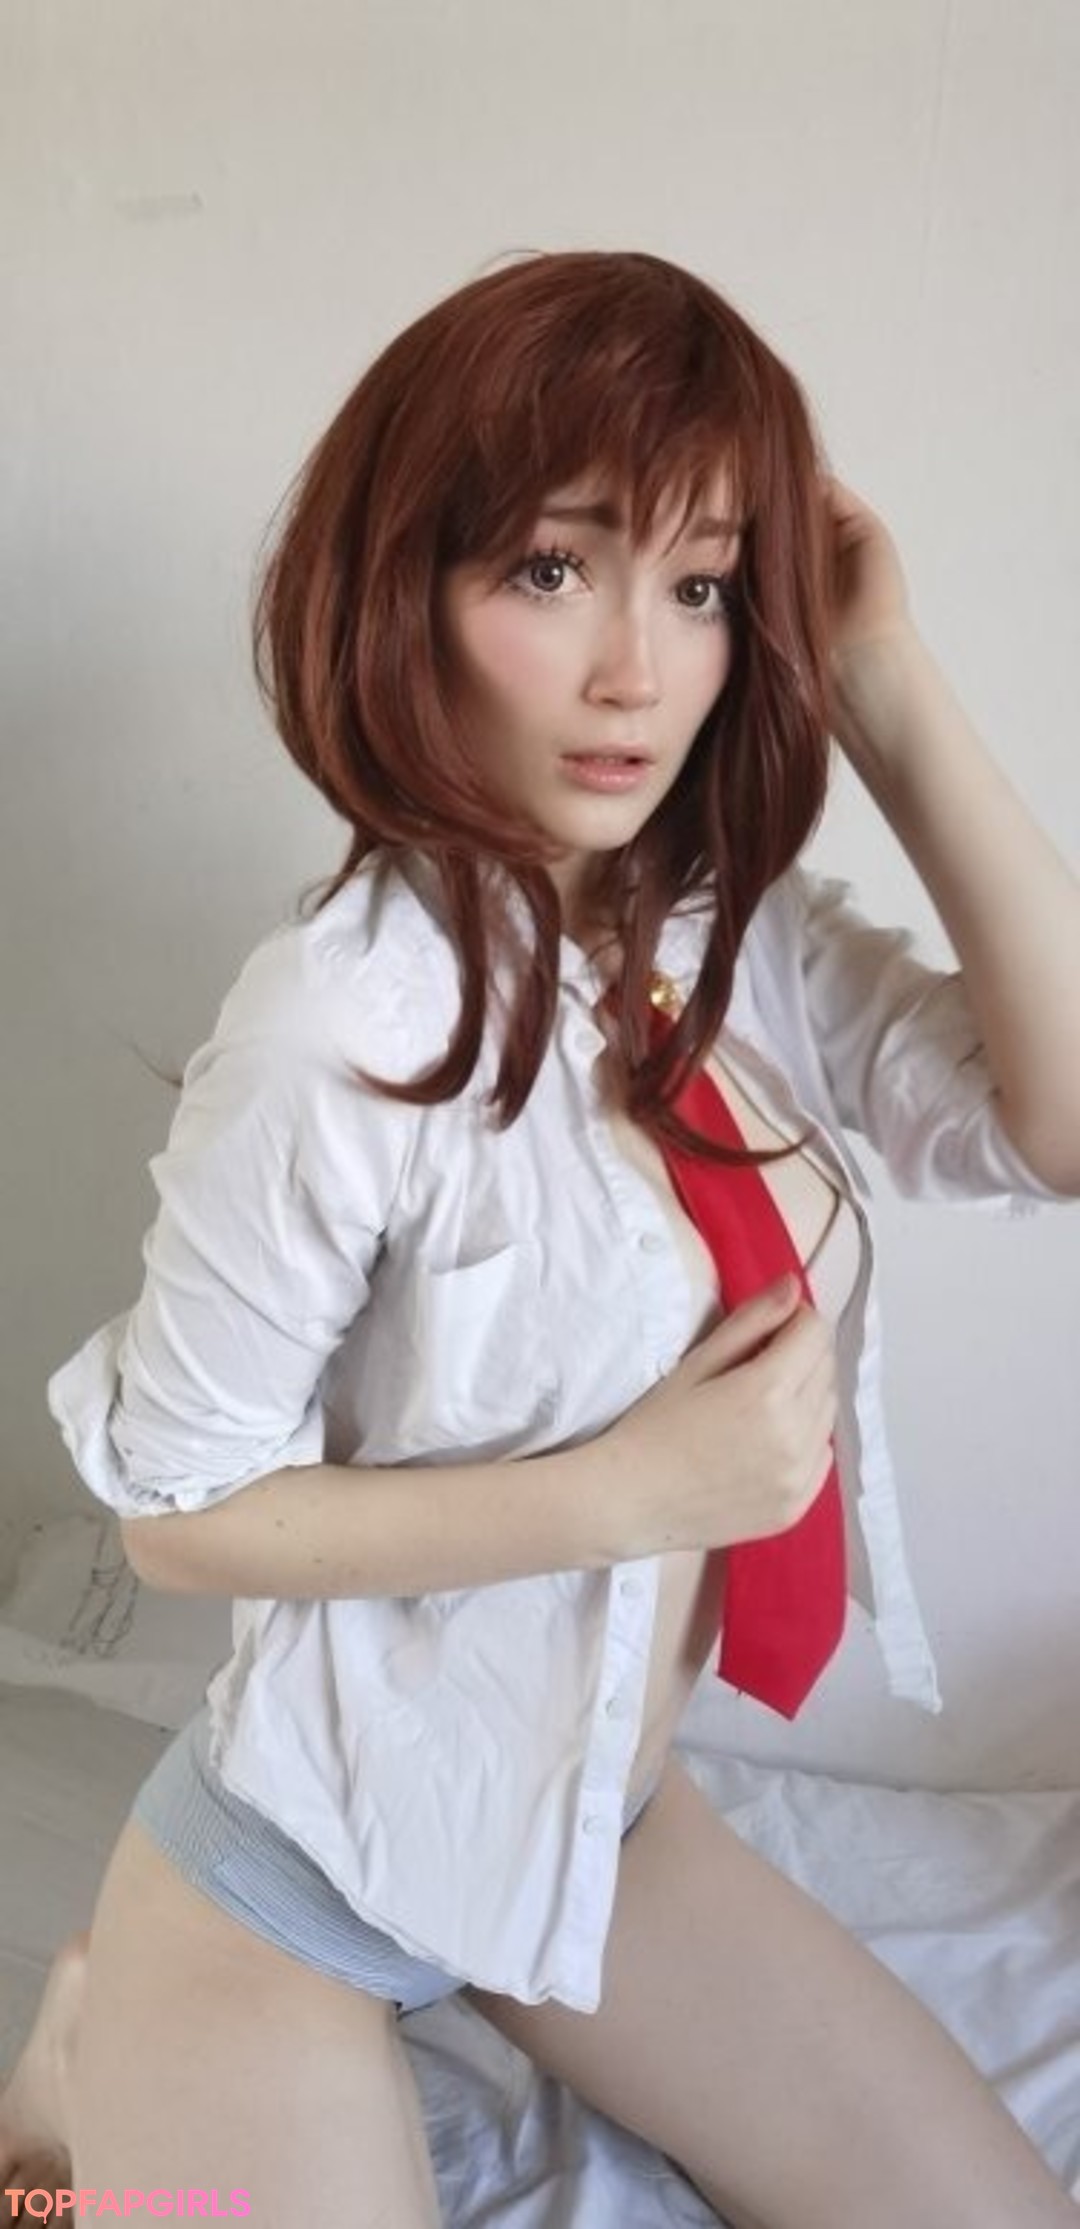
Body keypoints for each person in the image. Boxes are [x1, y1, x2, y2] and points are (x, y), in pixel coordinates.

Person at [3, 249, 1078, 2229]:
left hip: (596, 1824)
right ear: (403, 588)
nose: (636, 672)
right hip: (303, 1884)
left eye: (703, 585)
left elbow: (1063, 1125)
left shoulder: (732, 944)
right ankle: (87, 2056)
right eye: (555, 569)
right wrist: (631, 1492)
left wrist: (888, 682)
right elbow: (175, 1517)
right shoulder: (338, 1023)